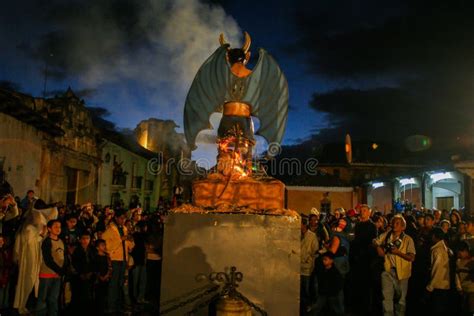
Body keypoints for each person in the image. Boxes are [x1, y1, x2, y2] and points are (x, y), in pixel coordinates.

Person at [13, 199, 57, 314]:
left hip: (36, 257)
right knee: (28, 280)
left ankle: (28, 304)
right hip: (28, 258)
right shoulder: (28, 228)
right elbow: (28, 243)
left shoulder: (37, 227)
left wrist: (42, 234)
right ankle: (21, 305)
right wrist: (41, 235)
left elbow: (53, 214)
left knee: (34, 281)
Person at [374, 215, 416, 316]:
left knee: (401, 300)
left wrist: (398, 253)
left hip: (402, 273)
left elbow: (411, 257)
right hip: (388, 270)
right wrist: (378, 248)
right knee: (386, 298)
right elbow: (375, 241)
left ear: (403, 227)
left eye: (397, 223)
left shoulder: (408, 239)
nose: (394, 225)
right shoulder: (387, 235)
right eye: (393, 222)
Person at [102, 209, 134, 313]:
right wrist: (121, 239)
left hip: (123, 259)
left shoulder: (124, 228)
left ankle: (119, 305)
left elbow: (126, 245)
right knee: (113, 284)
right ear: (116, 218)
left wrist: (131, 242)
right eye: (121, 218)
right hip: (115, 259)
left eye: (124, 218)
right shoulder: (110, 230)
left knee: (121, 284)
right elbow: (107, 246)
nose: (123, 220)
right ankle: (111, 306)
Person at [425, 227, 461, 315]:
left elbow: (437, 270)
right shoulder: (445, 249)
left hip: (439, 288)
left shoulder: (438, 250)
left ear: (433, 236)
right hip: (444, 287)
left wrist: (429, 288)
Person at [36, 219, 67, 316]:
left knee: (53, 299)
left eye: (60, 227)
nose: (58, 229)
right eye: (56, 227)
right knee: (43, 299)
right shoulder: (47, 242)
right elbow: (48, 260)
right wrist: (59, 270)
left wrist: (62, 271)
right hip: (47, 274)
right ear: (49, 229)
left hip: (57, 275)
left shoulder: (61, 241)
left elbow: (65, 257)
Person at [351, 204, 377, 315]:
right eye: (361, 211)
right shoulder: (358, 225)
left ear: (369, 212)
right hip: (358, 258)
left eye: (365, 211)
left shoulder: (372, 226)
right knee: (358, 284)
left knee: (367, 285)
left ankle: (367, 308)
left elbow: (372, 242)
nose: (362, 212)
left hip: (367, 259)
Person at [311, 252, 344, 316]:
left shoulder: (335, 272)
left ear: (331, 260)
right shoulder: (322, 269)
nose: (323, 261)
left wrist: (334, 291)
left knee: (336, 309)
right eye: (323, 259)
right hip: (323, 292)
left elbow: (339, 283)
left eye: (325, 259)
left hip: (332, 294)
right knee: (317, 308)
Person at [71, 232, 95, 313]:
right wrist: (80, 273)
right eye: (83, 238)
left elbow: (94, 262)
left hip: (90, 275)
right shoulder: (77, 250)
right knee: (79, 295)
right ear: (80, 240)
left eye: (87, 238)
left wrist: (91, 272)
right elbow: (75, 263)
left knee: (89, 294)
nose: (85, 240)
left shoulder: (91, 249)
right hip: (79, 276)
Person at [300, 219, 318, 313]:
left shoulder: (312, 236)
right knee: (299, 289)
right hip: (297, 266)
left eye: (300, 224)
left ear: (304, 225)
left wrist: (310, 262)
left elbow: (315, 251)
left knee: (306, 289)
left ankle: (307, 306)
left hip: (307, 267)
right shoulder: (297, 234)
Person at [93, 239, 112, 315]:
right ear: (97, 247)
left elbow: (110, 267)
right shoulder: (96, 257)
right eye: (102, 245)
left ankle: (104, 309)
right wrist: (100, 276)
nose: (104, 247)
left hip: (106, 278)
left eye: (104, 245)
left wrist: (107, 275)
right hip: (98, 280)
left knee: (105, 294)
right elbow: (95, 268)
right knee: (98, 296)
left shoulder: (107, 257)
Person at [456, 241, 474, 314]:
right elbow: (457, 277)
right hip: (463, 291)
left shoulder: (472, 262)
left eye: (461, 252)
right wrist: (459, 288)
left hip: (472, 291)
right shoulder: (458, 262)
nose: (459, 254)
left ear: (466, 251)